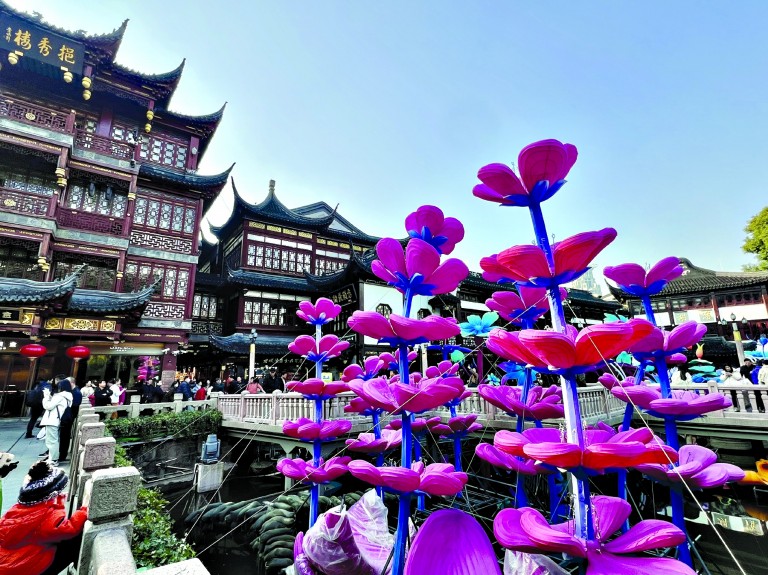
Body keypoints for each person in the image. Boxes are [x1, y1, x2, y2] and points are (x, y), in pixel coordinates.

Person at [0, 460, 88, 575]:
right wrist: (84, 509)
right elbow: (69, 529)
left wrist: (59, 498)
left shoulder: (19, 508)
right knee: (74, 542)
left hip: (8, 565)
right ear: (52, 495)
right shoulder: (44, 517)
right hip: (24, 568)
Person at [39, 380, 73, 466]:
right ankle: (52, 458)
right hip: (57, 420)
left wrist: (46, 396)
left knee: (51, 441)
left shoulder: (59, 396)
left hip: (52, 420)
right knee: (53, 440)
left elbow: (48, 406)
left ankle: (53, 460)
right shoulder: (68, 396)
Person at [58, 378, 80, 462]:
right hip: (68, 417)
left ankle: (62, 455)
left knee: (65, 436)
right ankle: (61, 453)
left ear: (71, 383)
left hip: (68, 418)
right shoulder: (72, 392)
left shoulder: (76, 392)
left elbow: (75, 405)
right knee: (63, 436)